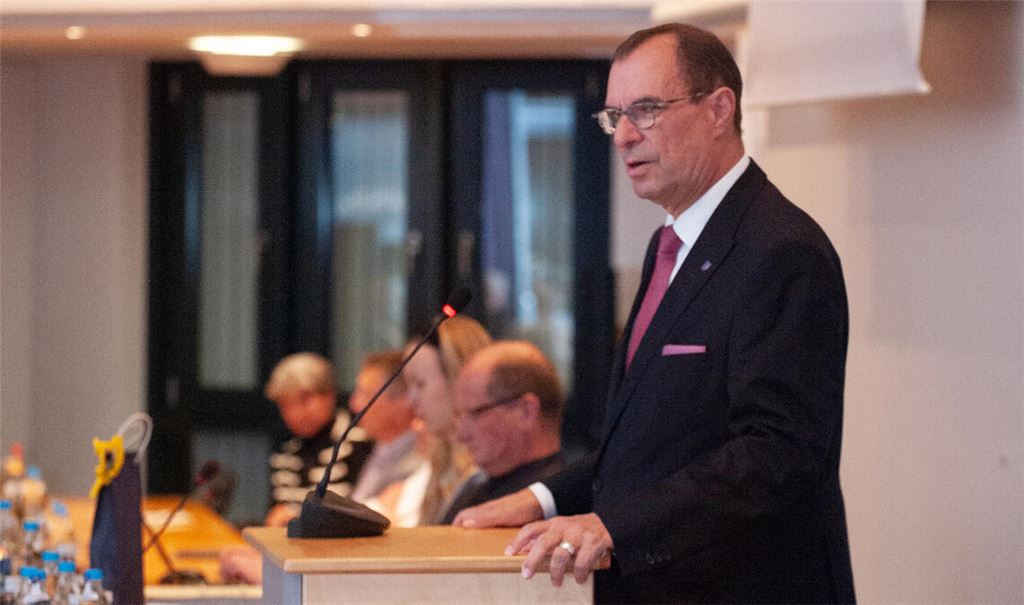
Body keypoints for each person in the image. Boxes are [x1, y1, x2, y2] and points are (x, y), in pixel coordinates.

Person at [453, 23, 855, 604]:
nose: (622, 137)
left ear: (720, 109)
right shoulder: (670, 245)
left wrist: (615, 526)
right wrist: (542, 498)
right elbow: (648, 447)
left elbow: (777, 453)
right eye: (615, 116)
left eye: (645, 110)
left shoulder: (780, 250)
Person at [220, 352, 371, 584]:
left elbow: (360, 513)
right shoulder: (287, 452)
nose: (295, 412)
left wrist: (296, 517)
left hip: (338, 568)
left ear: (329, 394)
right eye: (286, 404)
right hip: (290, 560)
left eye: (304, 399)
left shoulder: (358, 443)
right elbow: (276, 511)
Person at [369, 316, 492, 526]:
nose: (411, 400)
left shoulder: (487, 471)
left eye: (420, 383)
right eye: (409, 385)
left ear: (459, 380)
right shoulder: (438, 461)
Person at [438, 341, 566, 524]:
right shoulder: (477, 484)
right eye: (459, 416)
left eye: (474, 414)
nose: (461, 435)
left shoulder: (548, 508)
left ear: (526, 411)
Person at [348, 350, 424, 503]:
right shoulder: (372, 448)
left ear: (404, 399)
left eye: (365, 394)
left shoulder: (420, 462)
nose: (354, 404)